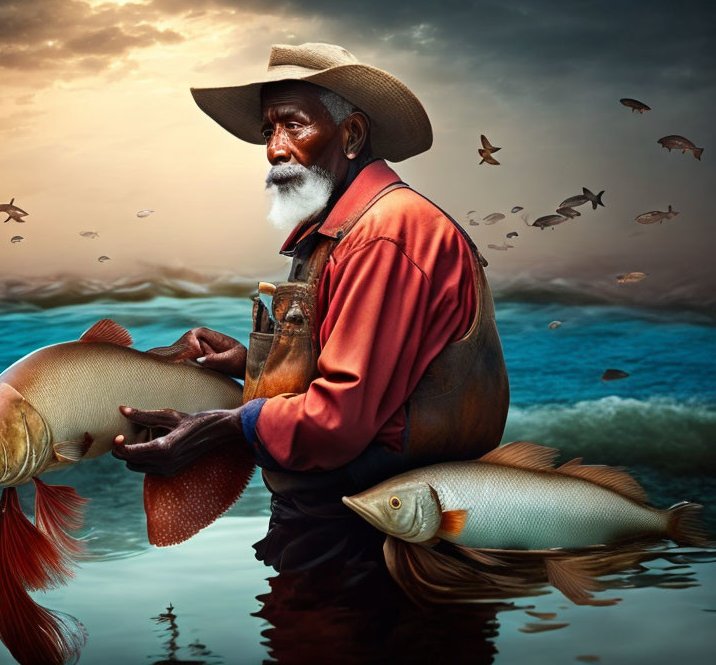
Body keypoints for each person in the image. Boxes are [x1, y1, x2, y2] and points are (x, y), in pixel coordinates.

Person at [113, 43, 509, 571]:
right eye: (268, 131)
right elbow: (359, 370)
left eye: (294, 126)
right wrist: (253, 363)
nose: (275, 149)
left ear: (351, 136)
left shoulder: (384, 234)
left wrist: (226, 425)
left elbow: (336, 423)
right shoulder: (346, 227)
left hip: (378, 544)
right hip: (356, 524)